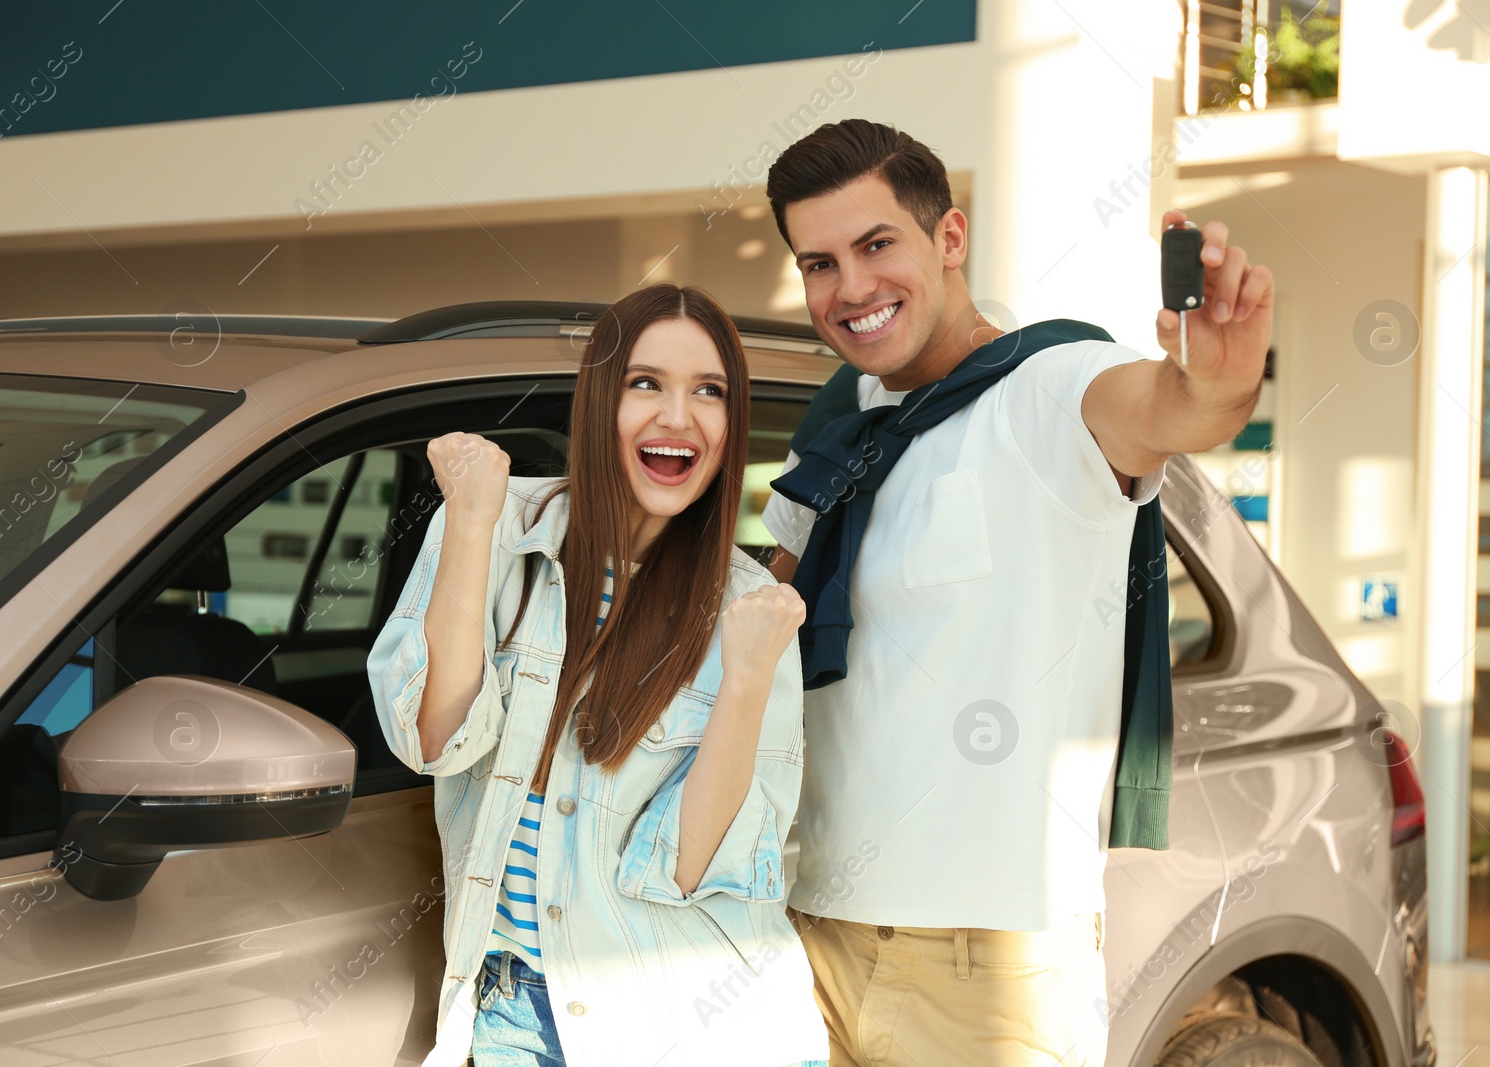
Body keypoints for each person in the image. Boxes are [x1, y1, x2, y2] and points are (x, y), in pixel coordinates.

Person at [758, 119, 1274, 1065]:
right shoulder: (836, 428)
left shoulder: (1050, 385)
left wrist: (1220, 382)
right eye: (819, 262)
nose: (852, 288)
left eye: (877, 245)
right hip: (810, 935)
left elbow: (1168, 406)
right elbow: (757, 623)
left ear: (949, 239)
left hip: (986, 970)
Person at [366, 284, 831, 1067]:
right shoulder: (494, 525)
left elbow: (691, 871)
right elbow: (436, 738)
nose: (677, 417)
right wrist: (473, 521)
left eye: (708, 392)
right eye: (646, 383)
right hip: (517, 1015)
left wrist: (746, 681)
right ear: (597, 401)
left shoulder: (753, 613)